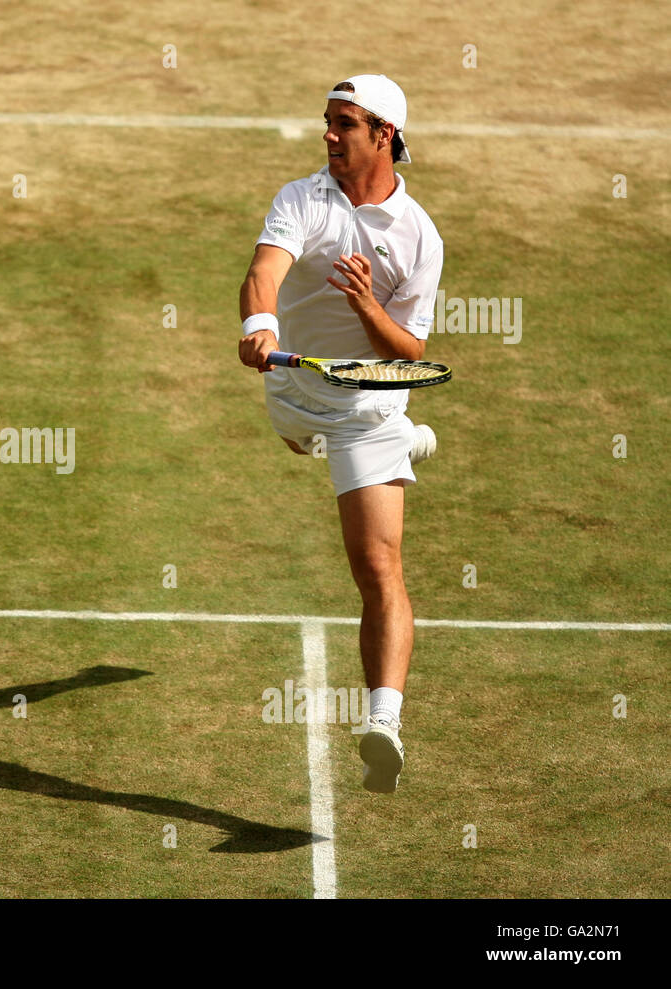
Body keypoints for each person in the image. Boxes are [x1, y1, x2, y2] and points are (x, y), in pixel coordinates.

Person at [238, 74, 443, 793]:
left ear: (383, 135)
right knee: (302, 443)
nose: (328, 134)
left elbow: (409, 352)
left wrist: (364, 305)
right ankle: (413, 444)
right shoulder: (302, 198)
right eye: (327, 121)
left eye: (344, 124)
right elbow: (265, 271)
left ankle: (384, 720)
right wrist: (259, 325)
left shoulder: (419, 236)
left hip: (367, 408)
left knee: (376, 564)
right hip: (293, 392)